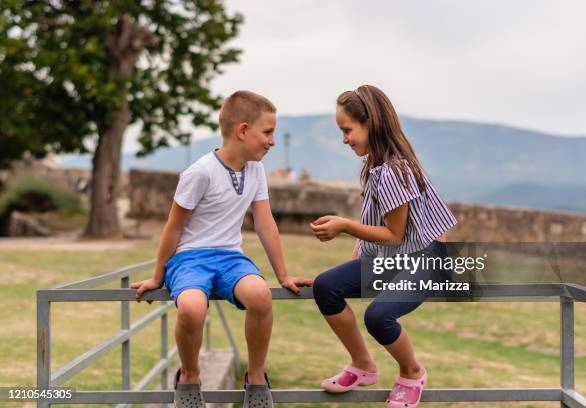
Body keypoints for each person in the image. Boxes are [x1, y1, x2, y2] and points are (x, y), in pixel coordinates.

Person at [131, 90, 312, 408]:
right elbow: (173, 227)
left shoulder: (256, 171)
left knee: (260, 295)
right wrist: (157, 277)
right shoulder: (200, 172)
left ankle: (256, 378)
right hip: (190, 258)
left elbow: (265, 224)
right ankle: (189, 377)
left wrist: (283, 275)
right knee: (191, 307)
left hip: (230, 258)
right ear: (243, 131)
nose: (271, 141)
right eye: (267, 132)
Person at [310, 85, 457, 408]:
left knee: (379, 316)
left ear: (370, 125)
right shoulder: (376, 168)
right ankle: (362, 364)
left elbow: (393, 234)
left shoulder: (392, 170)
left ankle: (412, 371)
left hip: (425, 258)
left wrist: (345, 225)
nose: (344, 139)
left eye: (347, 130)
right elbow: (380, 229)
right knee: (325, 286)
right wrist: (349, 269)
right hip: (396, 257)